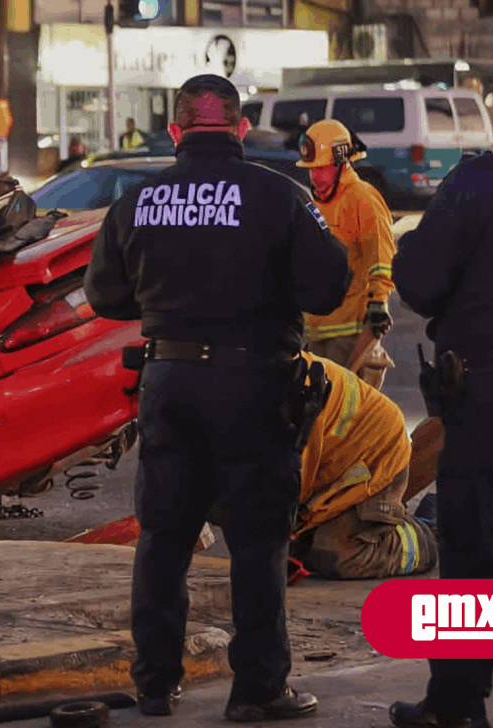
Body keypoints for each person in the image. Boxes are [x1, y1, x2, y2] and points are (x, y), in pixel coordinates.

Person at [84, 74, 350, 722]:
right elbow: (328, 286)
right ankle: (257, 690)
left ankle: (153, 686)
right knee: (258, 543)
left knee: (165, 539)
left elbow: (104, 296)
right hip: (255, 384)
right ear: (239, 130)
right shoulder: (277, 195)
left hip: (169, 380)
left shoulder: (137, 203)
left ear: (175, 132)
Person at [388, 60, 493, 728]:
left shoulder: (478, 183)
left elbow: (418, 281)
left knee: (474, 562)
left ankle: (457, 705)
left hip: (490, 403)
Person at [290, 351, 437, 580]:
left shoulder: (290, 389)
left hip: (376, 454)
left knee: (336, 557)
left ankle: (421, 537)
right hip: (332, 465)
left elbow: (288, 482)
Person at [296, 119, 396, 389]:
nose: (316, 177)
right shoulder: (315, 203)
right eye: (311, 170)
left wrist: (378, 302)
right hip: (315, 334)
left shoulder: (362, 198)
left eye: (323, 169)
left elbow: (381, 255)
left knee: (344, 419)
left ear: (342, 163)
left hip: (351, 335)